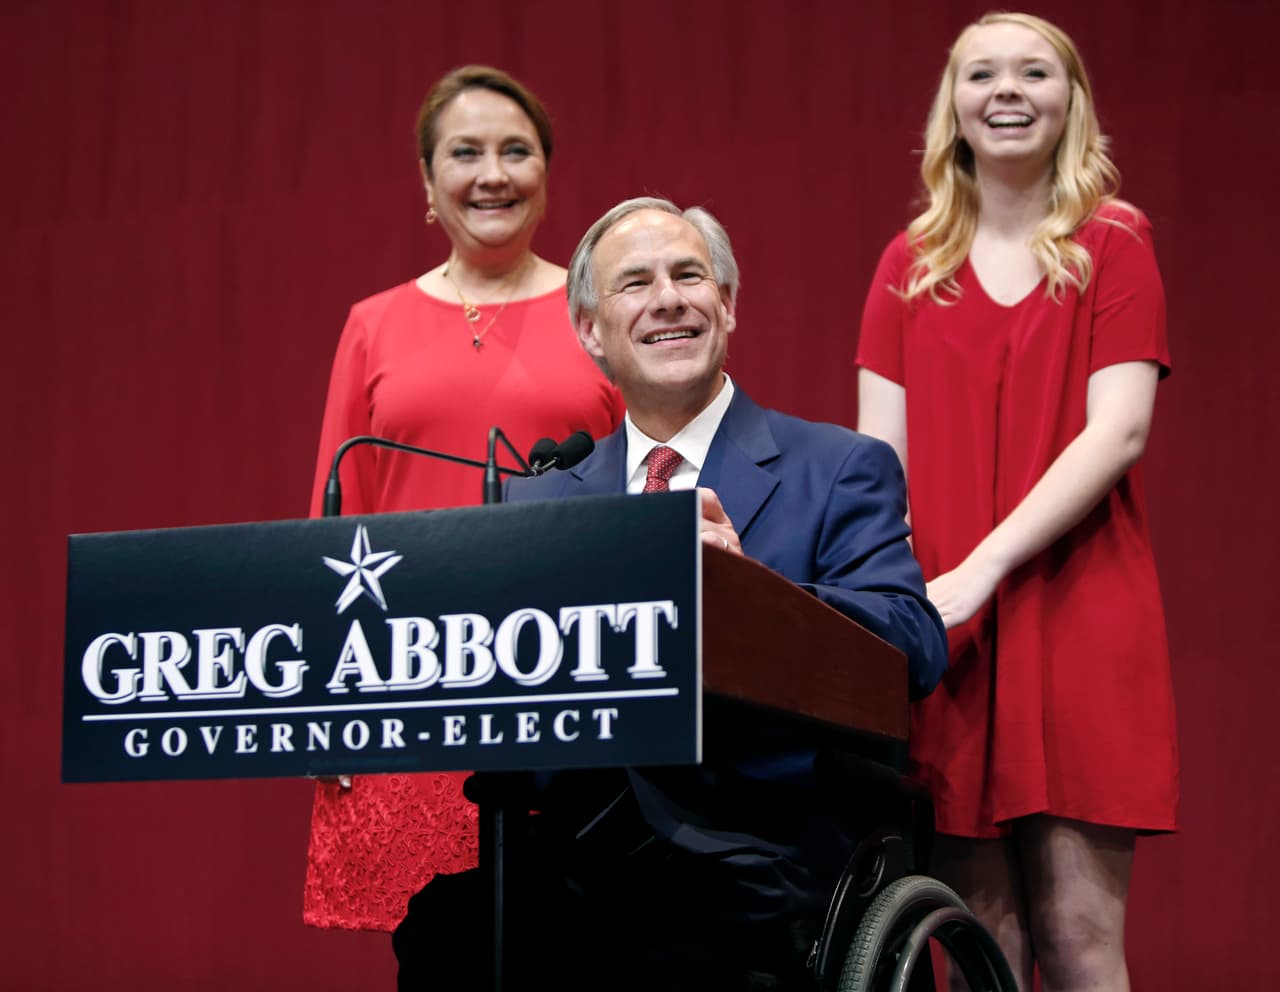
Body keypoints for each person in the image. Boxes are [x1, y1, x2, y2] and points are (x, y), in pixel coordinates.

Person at [392, 196, 948, 991]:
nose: (669, 299)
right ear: (591, 332)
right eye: (636, 283)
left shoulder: (836, 467)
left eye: (690, 276)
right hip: (587, 842)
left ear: (726, 305)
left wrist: (754, 594)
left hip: (763, 844)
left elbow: (913, 646)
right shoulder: (536, 503)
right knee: (449, 932)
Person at [855, 12, 1177, 991]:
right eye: (981, 73)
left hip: (1075, 609)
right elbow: (875, 464)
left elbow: (1116, 430)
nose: (1005, 90)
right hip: (948, 631)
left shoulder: (1111, 243)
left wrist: (983, 566)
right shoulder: (906, 263)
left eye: (1033, 73)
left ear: (1069, 101)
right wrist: (901, 594)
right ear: (949, 105)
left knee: (1077, 936)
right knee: (974, 934)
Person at [304, 66, 623, 934]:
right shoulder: (372, 323)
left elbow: (651, 482)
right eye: (466, 153)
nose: (493, 174)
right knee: (438, 948)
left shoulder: (603, 313)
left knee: (579, 943)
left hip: (574, 675)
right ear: (427, 182)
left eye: (516, 151)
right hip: (412, 678)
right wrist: (326, 701)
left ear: (546, 175)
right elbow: (337, 513)